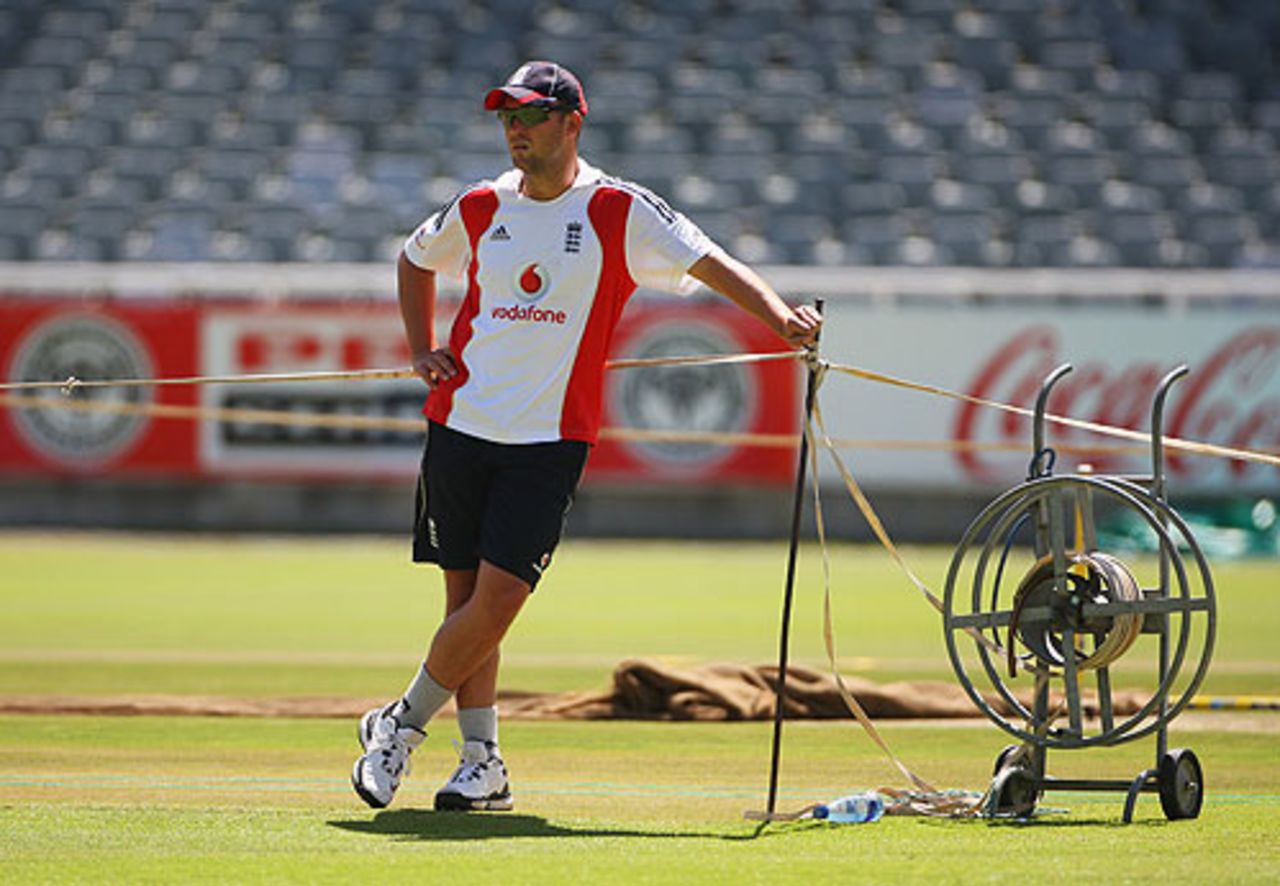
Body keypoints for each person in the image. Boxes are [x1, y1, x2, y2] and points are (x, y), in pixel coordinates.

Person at [352, 60, 822, 811]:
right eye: (507, 118)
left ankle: (399, 726)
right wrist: (420, 347)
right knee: (468, 607)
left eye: (531, 117)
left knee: (498, 602)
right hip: (461, 425)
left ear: (573, 122)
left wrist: (782, 319)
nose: (516, 131)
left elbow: (713, 263)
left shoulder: (619, 209)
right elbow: (414, 260)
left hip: (549, 439)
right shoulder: (479, 205)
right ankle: (484, 763)